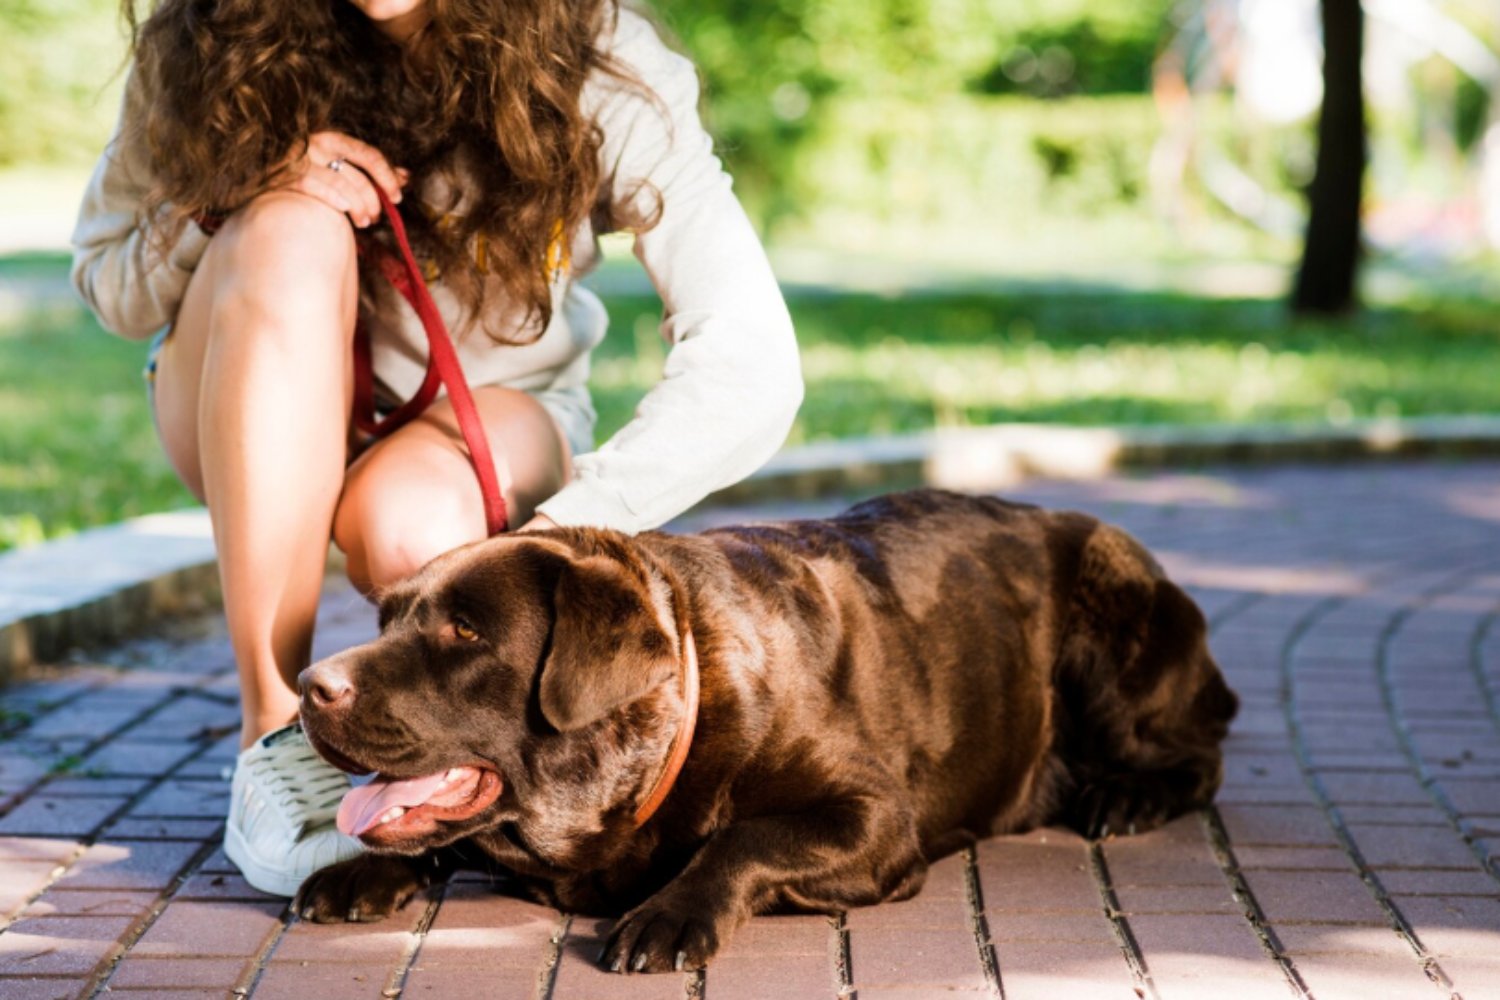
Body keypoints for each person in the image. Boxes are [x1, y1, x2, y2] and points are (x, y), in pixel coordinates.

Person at [70, 0, 802, 897]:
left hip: (483, 419)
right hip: (233, 402)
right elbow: (107, 280)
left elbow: (752, 364)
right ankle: (275, 737)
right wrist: (235, 193)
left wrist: (558, 536)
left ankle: (442, 764)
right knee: (287, 227)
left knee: (417, 538)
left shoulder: (599, 53)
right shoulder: (211, 35)